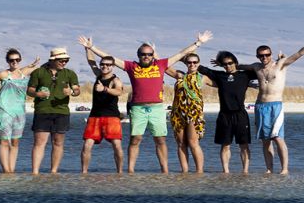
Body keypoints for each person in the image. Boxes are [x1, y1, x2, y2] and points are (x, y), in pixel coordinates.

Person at [79, 31, 213, 173]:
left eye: (149, 54)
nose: (146, 57)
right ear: (139, 55)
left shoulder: (160, 64)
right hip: (138, 109)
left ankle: (165, 171)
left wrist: (198, 43)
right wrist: (91, 47)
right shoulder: (131, 67)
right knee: (135, 139)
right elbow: (111, 58)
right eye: (143, 54)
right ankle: (130, 171)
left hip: (156, 108)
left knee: (160, 140)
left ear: (153, 55)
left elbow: (181, 54)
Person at [242, 29, 304, 174]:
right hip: (260, 106)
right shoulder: (256, 67)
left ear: (271, 54)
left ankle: (284, 169)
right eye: (261, 55)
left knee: (277, 138)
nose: (264, 57)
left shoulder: (280, 64)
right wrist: (222, 63)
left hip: (275, 106)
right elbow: (236, 67)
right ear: (257, 56)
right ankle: (269, 169)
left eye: (267, 55)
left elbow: (299, 54)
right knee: (265, 140)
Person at [199, 51, 258, 173]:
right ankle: (226, 172)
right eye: (225, 64)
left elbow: (261, 68)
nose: (228, 66)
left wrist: (238, 66)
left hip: (240, 114)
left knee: (244, 145)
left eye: (230, 63)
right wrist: (184, 57)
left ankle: (245, 171)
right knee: (225, 145)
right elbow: (202, 69)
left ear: (235, 62)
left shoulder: (245, 75)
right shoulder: (220, 76)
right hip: (224, 115)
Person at [27, 47, 81, 174]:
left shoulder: (70, 74)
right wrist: (37, 94)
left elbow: (77, 90)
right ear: (53, 60)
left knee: (58, 142)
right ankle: (35, 172)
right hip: (42, 111)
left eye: (66, 60)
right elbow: (30, 89)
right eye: (61, 60)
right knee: (40, 142)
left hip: (61, 112)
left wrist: (72, 92)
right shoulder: (38, 72)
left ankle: (54, 171)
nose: (64, 63)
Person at [0, 48, 40, 173]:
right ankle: (6, 170)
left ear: (20, 60)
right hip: (4, 111)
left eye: (17, 59)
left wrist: (33, 64)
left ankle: (11, 170)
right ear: (7, 61)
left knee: (15, 142)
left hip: (20, 112)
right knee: (4, 141)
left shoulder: (24, 72)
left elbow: (42, 68)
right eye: (12, 60)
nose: (14, 62)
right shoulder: (3, 74)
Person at [166, 53, 215, 173]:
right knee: (181, 143)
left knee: (193, 142)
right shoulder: (180, 75)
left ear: (198, 63)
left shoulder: (203, 78)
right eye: (189, 62)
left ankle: (199, 172)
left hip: (194, 113)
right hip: (178, 112)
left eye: (195, 62)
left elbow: (223, 84)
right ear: (186, 63)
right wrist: (156, 54)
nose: (192, 64)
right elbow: (164, 66)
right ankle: (185, 172)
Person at [80, 47, 125, 174]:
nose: (105, 67)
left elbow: (119, 91)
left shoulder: (115, 80)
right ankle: (84, 173)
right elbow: (91, 62)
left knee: (117, 145)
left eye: (108, 65)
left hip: (112, 117)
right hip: (95, 116)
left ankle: (120, 172)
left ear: (113, 66)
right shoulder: (99, 75)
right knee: (87, 145)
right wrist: (88, 48)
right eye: (103, 64)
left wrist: (105, 89)